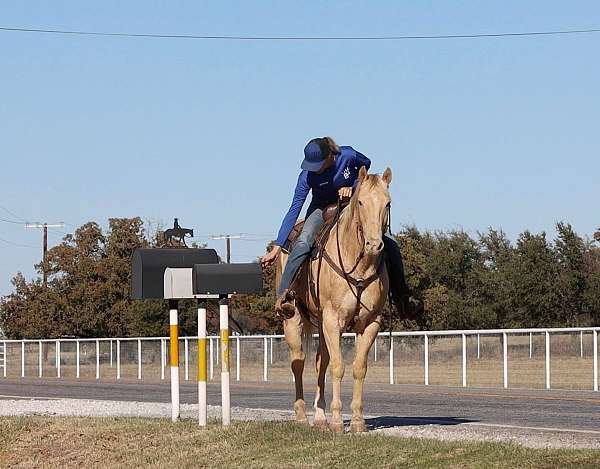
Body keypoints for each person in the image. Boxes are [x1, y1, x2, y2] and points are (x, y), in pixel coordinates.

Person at [261, 137, 422, 319]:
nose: (316, 169)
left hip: (352, 204)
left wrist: (353, 186)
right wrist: (276, 248)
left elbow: (366, 165)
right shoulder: (306, 176)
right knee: (303, 242)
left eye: (319, 164)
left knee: (390, 242)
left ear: (331, 156)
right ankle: (284, 297)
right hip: (321, 208)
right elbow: (295, 207)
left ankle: (403, 298)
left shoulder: (348, 155)